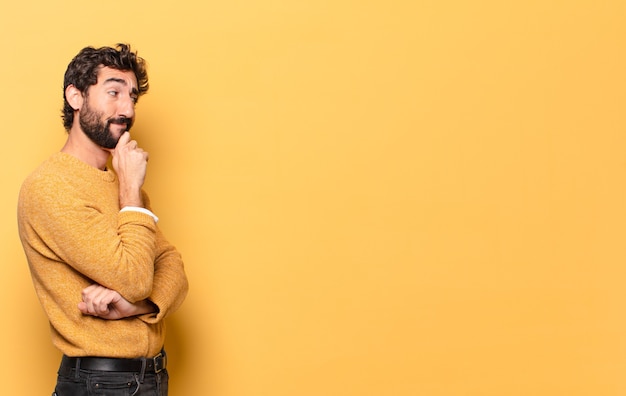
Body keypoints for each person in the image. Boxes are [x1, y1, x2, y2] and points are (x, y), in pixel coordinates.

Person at [17, 43, 189, 396]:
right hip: (101, 383)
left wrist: (137, 306)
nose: (126, 109)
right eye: (113, 92)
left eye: (132, 97)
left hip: (151, 377)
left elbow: (173, 267)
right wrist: (130, 190)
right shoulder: (51, 186)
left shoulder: (123, 186)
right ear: (76, 97)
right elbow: (135, 276)